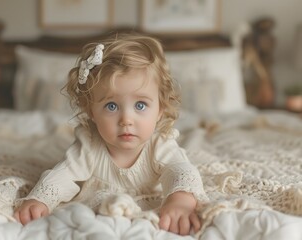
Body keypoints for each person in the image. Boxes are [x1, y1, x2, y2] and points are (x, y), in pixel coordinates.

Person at [13, 33, 207, 236]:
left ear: (160, 110)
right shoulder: (89, 144)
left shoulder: (159, 143)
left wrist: (181, 200)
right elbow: (64, 174)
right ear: (91, 112)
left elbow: (180, 170)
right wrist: (40, 199)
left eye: (140, 105)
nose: (126, 119)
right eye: (111, 106)